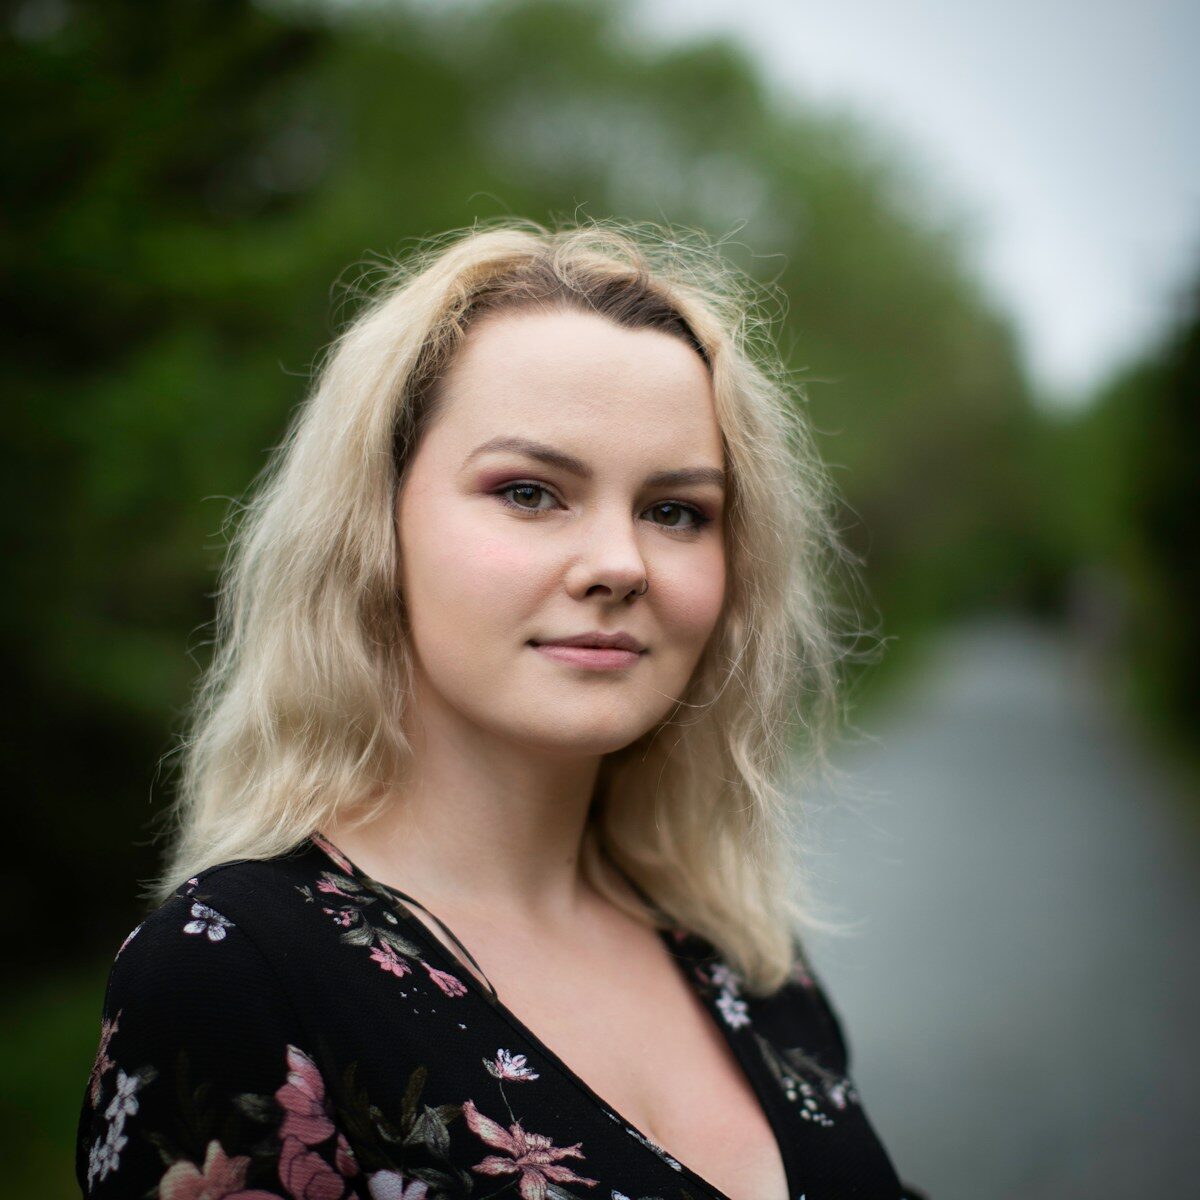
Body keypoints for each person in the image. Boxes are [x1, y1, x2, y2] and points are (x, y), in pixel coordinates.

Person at [76, 219, 925, 1200]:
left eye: (676, 510)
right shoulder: (231, 978)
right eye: (530, 491)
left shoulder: (742, 955)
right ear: (375, 529)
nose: (619, 563)